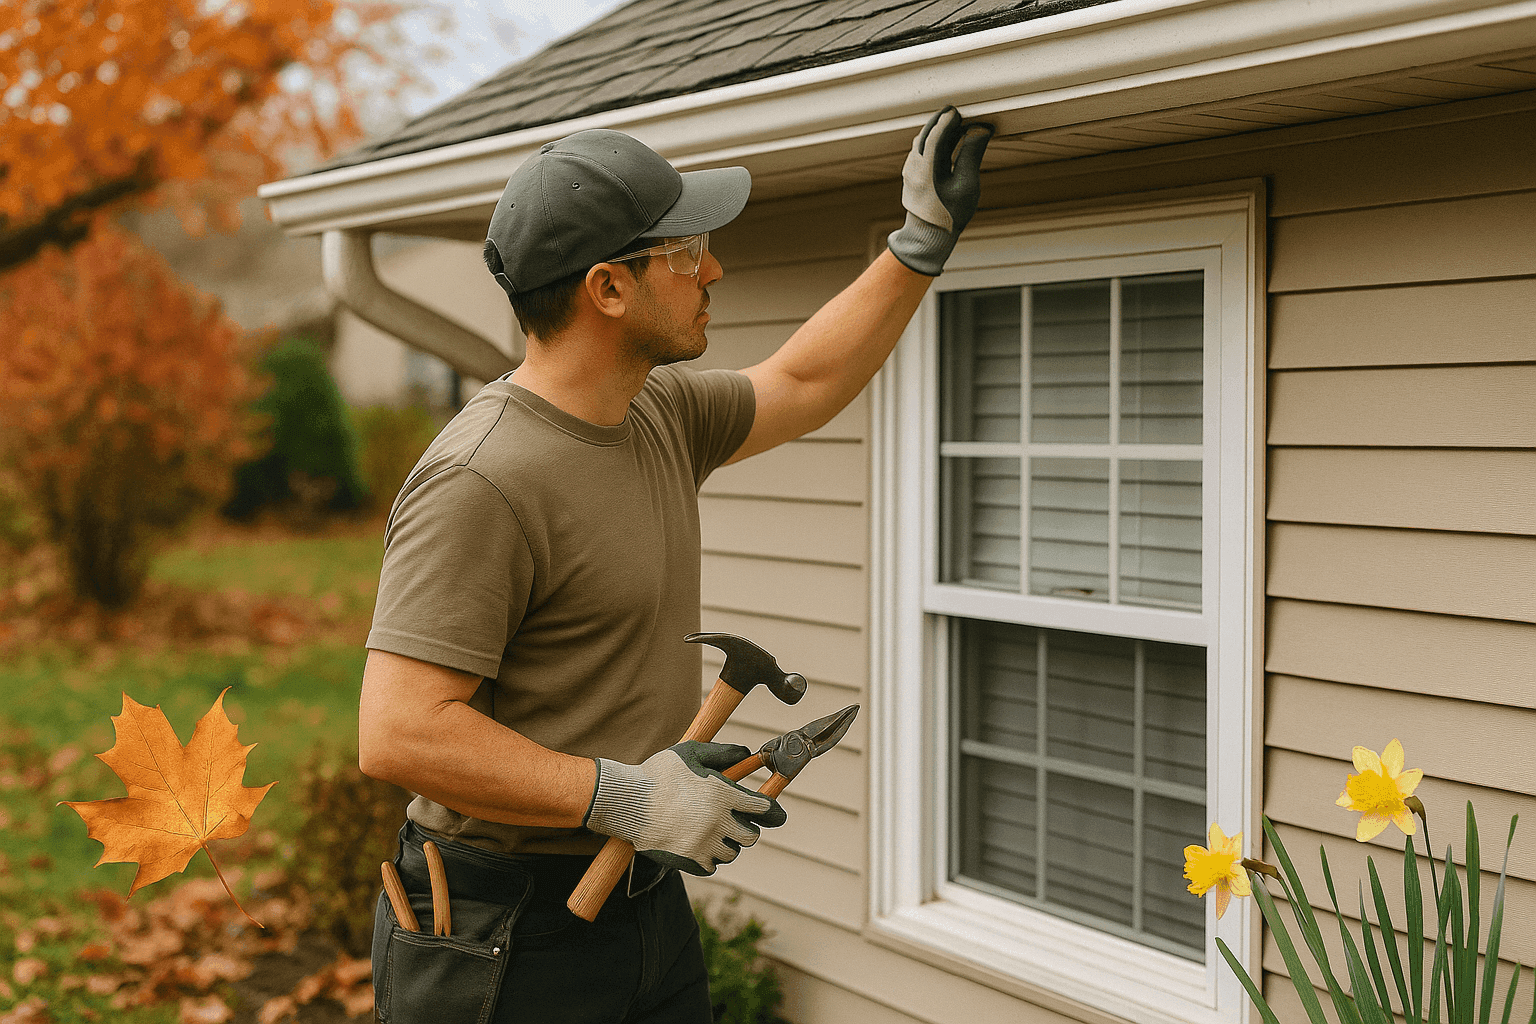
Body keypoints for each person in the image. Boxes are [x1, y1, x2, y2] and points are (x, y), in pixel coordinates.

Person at [358, 105, 993, 1023]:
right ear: (609, 287)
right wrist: (624, 795)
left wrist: (918, 243)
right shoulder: (481, 478)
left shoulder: (654, 414)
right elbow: (402, 732)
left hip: (641, 900)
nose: (716, 270)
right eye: (687, 254)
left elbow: (800, 383)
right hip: (501, 932)